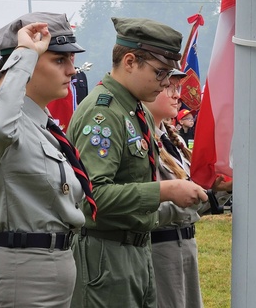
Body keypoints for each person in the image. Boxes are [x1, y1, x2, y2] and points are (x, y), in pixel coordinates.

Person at [0, 13, 95, 305]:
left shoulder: (43, 128)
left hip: (51, 270)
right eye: (59, 60)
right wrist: (26, 54)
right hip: (21, 275)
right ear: (25, 68)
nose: (72, 70)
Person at [68, 17, 208, 308]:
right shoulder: (103, 112)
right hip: (107, 253)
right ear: (130, 61)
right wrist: (166, 191)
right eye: (160, 73)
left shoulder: (132, 110)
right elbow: (94, 195)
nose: (165, 83)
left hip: (136, 249)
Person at [144, 69, 231, 308]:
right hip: (158, 247)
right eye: (168, 87)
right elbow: (145, 202)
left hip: (186, 244)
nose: (176, 95)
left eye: (178, 88)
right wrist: (194, 200)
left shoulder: (174, 141)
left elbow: (190, 198)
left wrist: (220, 191)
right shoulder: (141, 142)